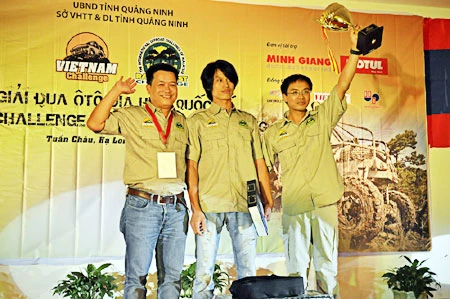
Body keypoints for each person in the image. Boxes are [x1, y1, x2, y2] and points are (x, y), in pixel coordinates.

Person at [262, 27, 364, 298]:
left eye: (306, 91)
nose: (301, 96)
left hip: (324, 203)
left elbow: (342, 85)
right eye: (294, 92)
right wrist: (265, 197)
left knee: (327, 266)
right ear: (284, 96)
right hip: (294, 205)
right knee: (296, 268)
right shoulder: (273, 133)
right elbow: (261, 165)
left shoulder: (322, 118)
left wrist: (354, 51)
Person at [86, 63, 189, 299]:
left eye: (172, 84)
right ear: (149, 88)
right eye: (161, 84)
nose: (167, 89)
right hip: (143, 206)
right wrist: (116, 91)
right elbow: (95, 124)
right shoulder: (132, 115)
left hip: (176, 208)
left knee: (172, 278)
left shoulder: (183, 121)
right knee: (137, 278)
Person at [187, 59, 273, 299]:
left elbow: (259, 162)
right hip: (209, 205)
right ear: (209, 86)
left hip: (245, 205)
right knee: (204, 271)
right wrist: (195, 208)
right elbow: (191, 165)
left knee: (247, 271)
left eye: (228, 79)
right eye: (218, 80)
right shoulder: (197, 122)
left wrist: (268, 198)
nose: (225, 85)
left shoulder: (248, 121)